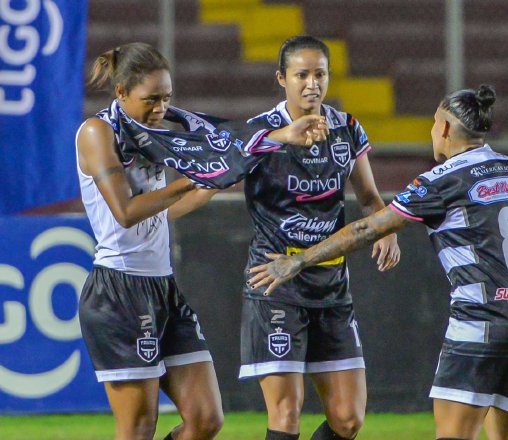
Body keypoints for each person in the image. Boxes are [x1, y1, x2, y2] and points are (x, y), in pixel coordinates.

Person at [249, 85, 508, 440]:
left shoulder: (442, 181)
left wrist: (300, 261)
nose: (432, 131)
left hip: (482, 327)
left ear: (445, 128)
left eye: (433, 123)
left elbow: (367, 228)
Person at [77, 42, 327, 440]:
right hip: (119, 291)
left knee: (206, 420)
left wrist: (229, 169)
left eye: (167, 98)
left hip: (163, 287)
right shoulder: (97, 131)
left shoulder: (153, 134)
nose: (160, 108)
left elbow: (176, 201)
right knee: (138, 426)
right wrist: (192, 178)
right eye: (151, 99)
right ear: (121, 92)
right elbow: (125, 212)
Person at [238, 35, 401, 440]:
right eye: (302, 75)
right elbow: (223, 158)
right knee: (286, 412)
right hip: (276, 282)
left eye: (320, 74)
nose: (312, 83)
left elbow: (368, 197)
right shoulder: (261, 132)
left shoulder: (346, 128)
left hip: (331, 286)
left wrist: (386, 228)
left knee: (348, 419)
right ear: (282, 78)